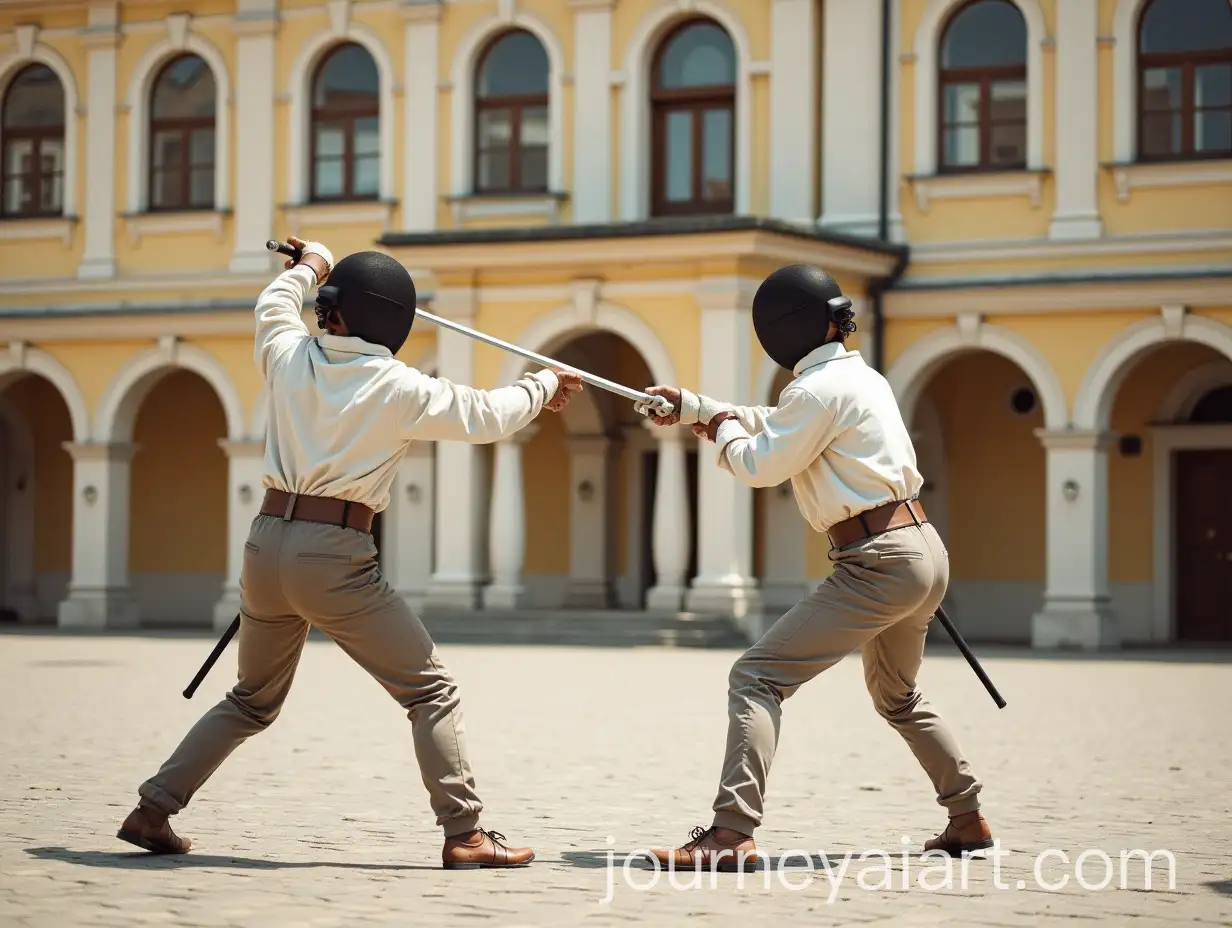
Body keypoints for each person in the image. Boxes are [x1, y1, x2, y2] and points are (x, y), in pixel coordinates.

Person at [116, 236, 582, 869]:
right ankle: (466, 834)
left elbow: (273, 303)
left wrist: (310, 264)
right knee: (431, 692)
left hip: (265, 542)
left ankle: (154, 809)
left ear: (329, 308)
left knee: (250, 700)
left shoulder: (285, 354)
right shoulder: (398, 386)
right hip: (334, 554)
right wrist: (543, 382)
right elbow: (488, 416)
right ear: (391, 321)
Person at [637, 264, 990, 872]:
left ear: (780, 329)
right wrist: (697, 406)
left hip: (875, 561)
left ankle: (729, 834)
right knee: (898, 696)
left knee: (757, 676)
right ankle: (967, 817)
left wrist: (716, 426)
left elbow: (759, 463)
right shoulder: (858, 378)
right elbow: (780, 424)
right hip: (922, 550)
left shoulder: (815, 391)